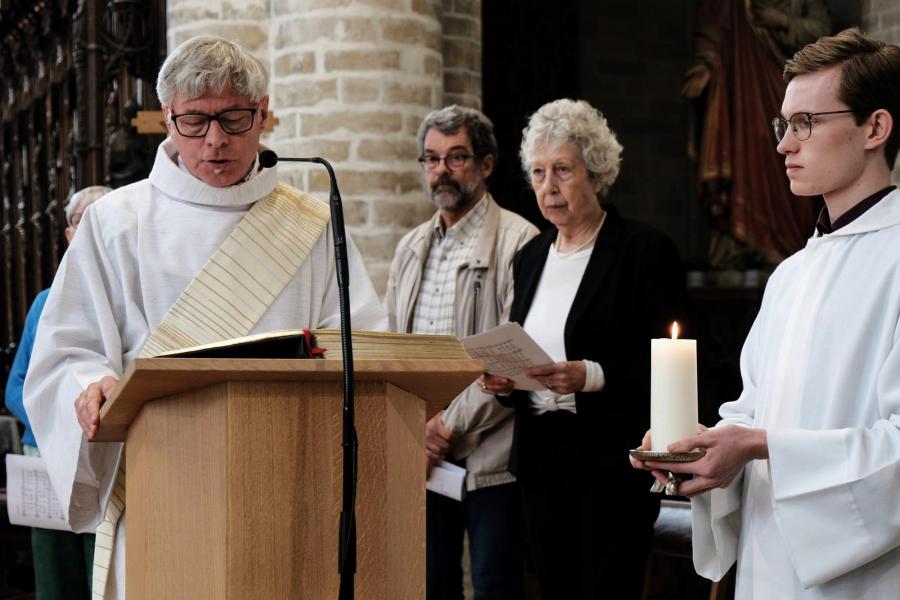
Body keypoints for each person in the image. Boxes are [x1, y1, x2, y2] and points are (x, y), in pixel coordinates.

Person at [23, 35, 387, 600]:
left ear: (263, 116)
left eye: (234, 119)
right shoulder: (117, 222)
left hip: (285, 482)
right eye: (194, 121)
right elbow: (68, 349)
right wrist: (91, 384)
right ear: (167, 118)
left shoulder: (311, 226)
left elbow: (363, 349)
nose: (215, 140)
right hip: (161, 478)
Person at [633, 28, 900, 599]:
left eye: (806, 123)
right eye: (783, 124)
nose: (782, 145)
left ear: (875, 128)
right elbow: (753, 413)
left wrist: (758, 446)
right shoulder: (790, 275)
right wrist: (703, 450)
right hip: (768, 564)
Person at [481, 99, 685, 599]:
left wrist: (591, 375)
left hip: (611, 462)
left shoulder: (643, 250)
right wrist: (507, 382)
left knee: (605, 588)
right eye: (538, 172)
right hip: (540, 459)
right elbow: (529, 350)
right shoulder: (529, 257)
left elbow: (674, 365)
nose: (548, 186)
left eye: (563, 170)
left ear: (595, 172)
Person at [385, 105, 537, 600]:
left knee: (495, 585)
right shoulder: (410, 246)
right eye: (431, 159)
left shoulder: (520, 242)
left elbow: (515, 355)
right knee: (430, 584)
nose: (441, 172)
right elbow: (392, 347)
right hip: (423, 452)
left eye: (456, 158)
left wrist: (445, 428)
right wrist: (416, 427)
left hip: (490, 453)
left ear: (486, 165)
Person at [4, 185, 111, 600]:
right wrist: (59, 422)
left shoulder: (126, 298)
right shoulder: (45, 302)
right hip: (49, 454)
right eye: (85, 220)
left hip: (105, 450)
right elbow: (18, 385)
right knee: (55, 572)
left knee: (102, 569)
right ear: (69, 234)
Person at [684, 0, 829, 265]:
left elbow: (823, 34)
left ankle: (789, 242)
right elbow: (714, 30)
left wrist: (783, 22)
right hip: (743, 90)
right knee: (751, 154)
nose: (785, 145)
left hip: (783, 80)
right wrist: (707, 64)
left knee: (786, 158)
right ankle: (745, 243)